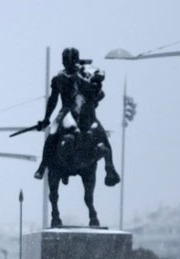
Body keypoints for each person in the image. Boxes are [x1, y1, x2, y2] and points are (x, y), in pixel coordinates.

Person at [33, 47, 120, 186]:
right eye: (65, 61)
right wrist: (46, 118)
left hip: (83, 110)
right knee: (53, 132)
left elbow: (98, 92)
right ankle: (43, 165)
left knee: (100, 132)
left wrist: (94, 90)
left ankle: (110, 168)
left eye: (70, 60)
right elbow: (53, 99)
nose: (67, 63)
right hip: (66, 111)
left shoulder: (84, 75)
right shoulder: (58, 79)